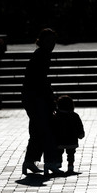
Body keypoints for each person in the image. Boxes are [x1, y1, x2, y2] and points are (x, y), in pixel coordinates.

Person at [21, 28, 64, 176]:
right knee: (47, 130)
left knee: (37, 130)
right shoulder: (42, 55)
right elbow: (41, 80)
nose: (52, 44)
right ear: (42, 41)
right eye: (49, 41)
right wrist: (50, 98)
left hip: (31, 97)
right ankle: (50, 162)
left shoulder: (41, 54)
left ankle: (30, 160)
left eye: (54, 41)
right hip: (36, 97)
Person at [53, 95, 85, 173]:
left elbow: (53, 128)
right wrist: (81, 134)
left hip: (59, 140)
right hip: (72, 140)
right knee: (71, 153)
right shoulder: (74, 115)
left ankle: (58, 163)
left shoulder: (56, 116)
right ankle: (70, 165)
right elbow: (79, 126)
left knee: (58, 152)